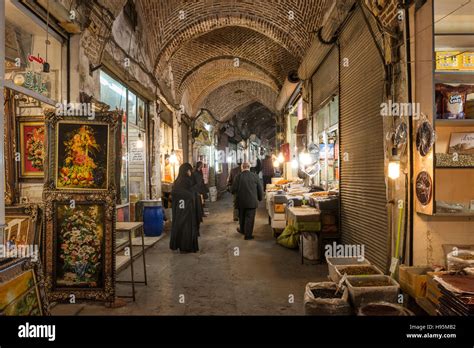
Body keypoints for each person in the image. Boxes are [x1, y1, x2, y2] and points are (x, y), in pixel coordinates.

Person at [169, 163, 201, 253]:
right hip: (185, 210)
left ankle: (183, 246)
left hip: (182, 210)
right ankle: (186, 246)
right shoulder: (185, 181)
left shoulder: (179, 181)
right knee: (186, 228)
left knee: (183, 227)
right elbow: (186, 195)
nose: (190, 172)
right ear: (186, 171)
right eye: (189, 170)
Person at [231, 162, 263, 240]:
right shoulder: (255, 176)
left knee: (242, 217)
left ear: (242, 168)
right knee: (250, 218)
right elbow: (259, 189)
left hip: (241, 202)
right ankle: (248, 235)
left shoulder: (238, 176)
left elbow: (233, 189)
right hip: (252, 201)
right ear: (249, 167)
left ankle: (242, 230)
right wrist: (260, 198)